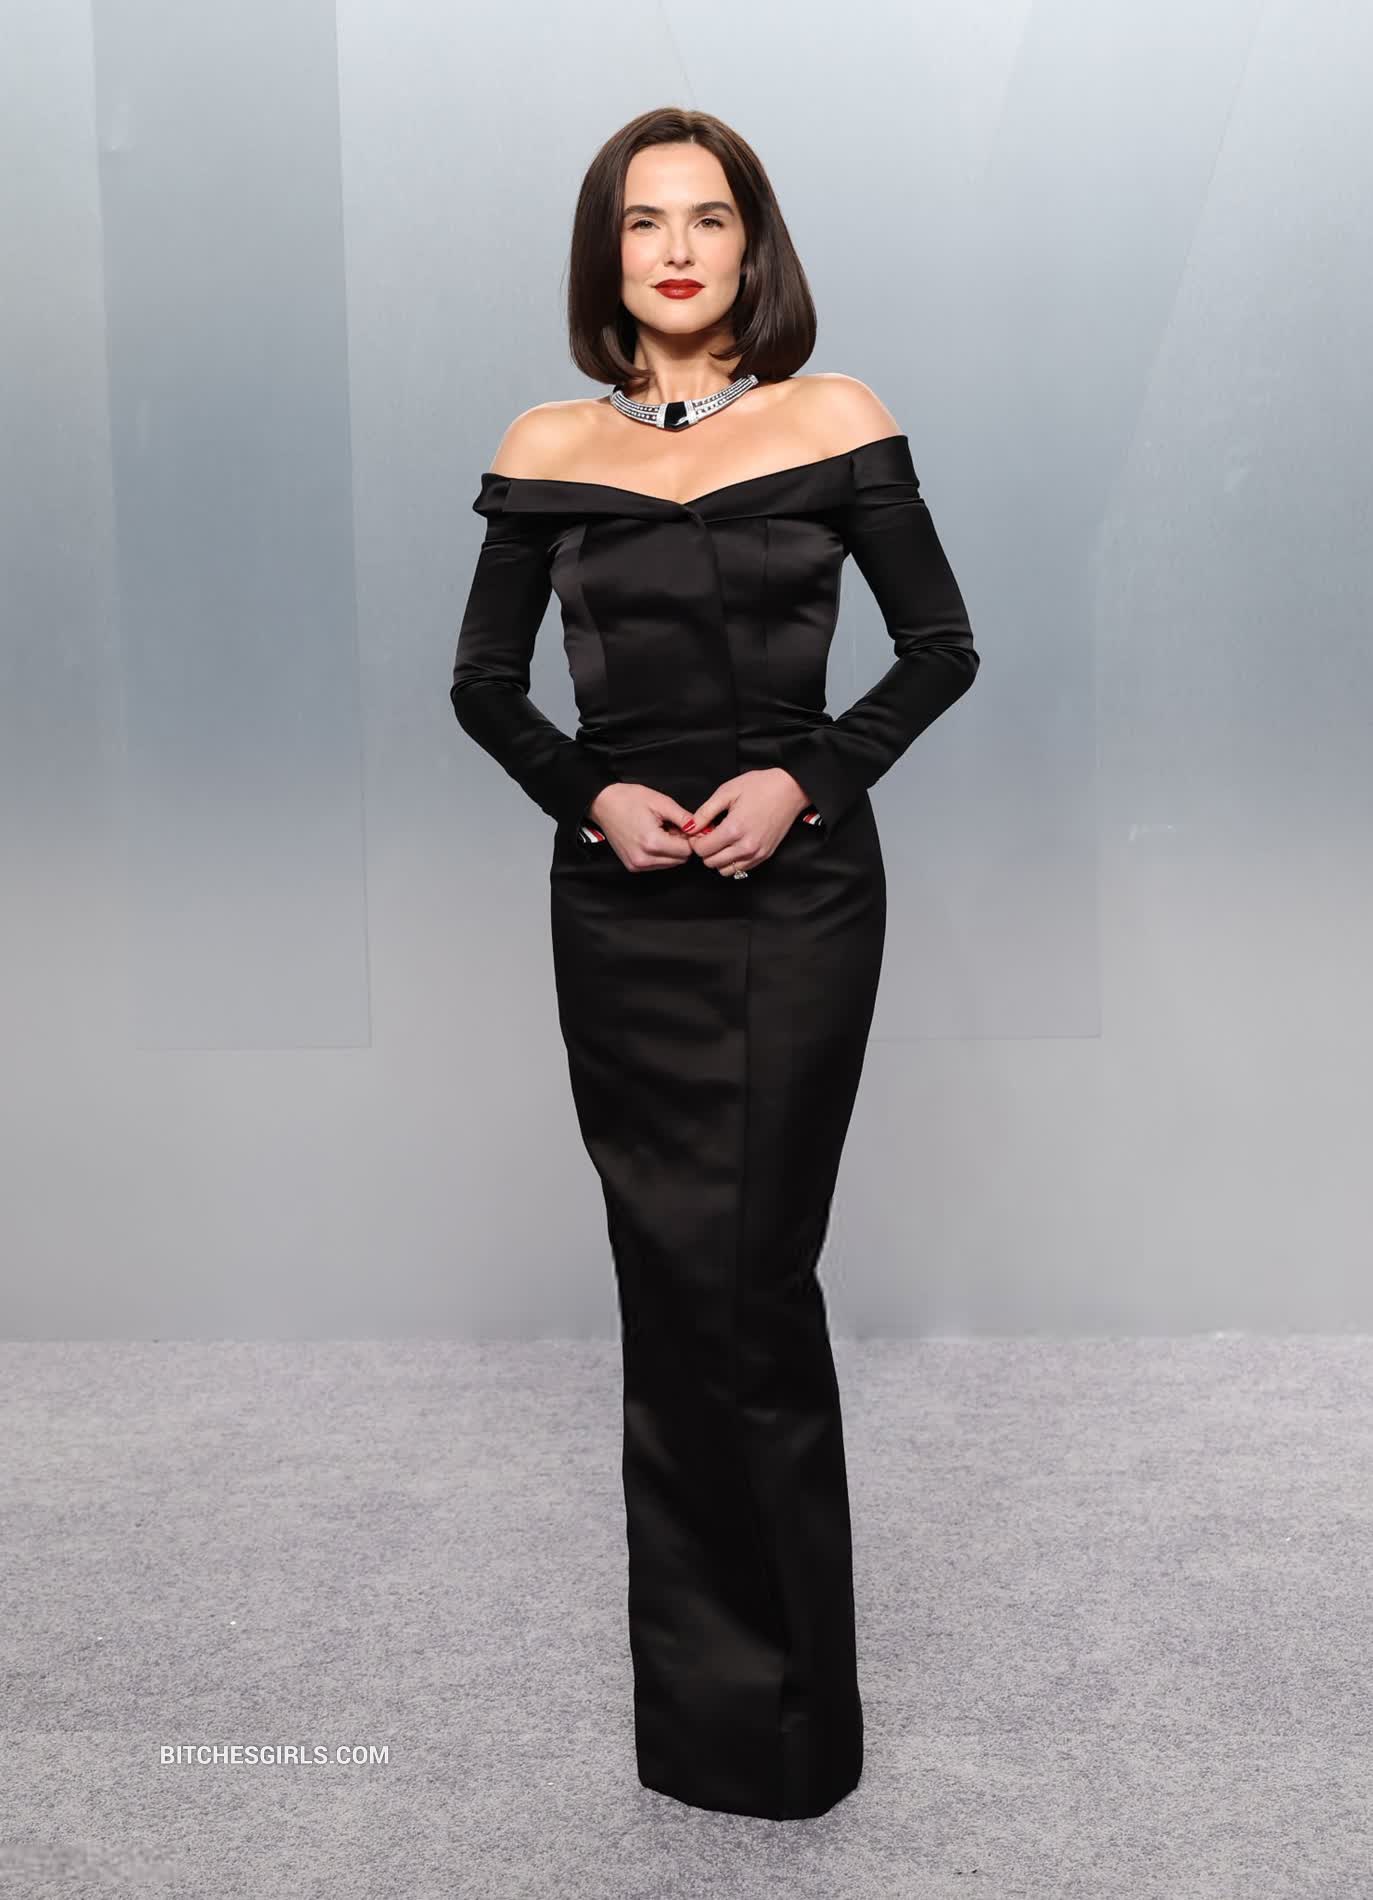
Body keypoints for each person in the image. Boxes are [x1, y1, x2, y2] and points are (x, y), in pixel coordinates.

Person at [450, 105, 980, 1822]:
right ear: (605, 254)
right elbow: (482, 686)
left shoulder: (836, 418)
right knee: (669, 1281)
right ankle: (701, 1728)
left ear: (754, 245)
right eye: (641, 222)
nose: (674, 249)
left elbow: (939, 647)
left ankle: (794, 1728)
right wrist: (588, 794)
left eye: (707, 218)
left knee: (754, 1278)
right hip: (618, 903)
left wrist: (805, 778)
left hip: (798, 891)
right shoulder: (545, 444)